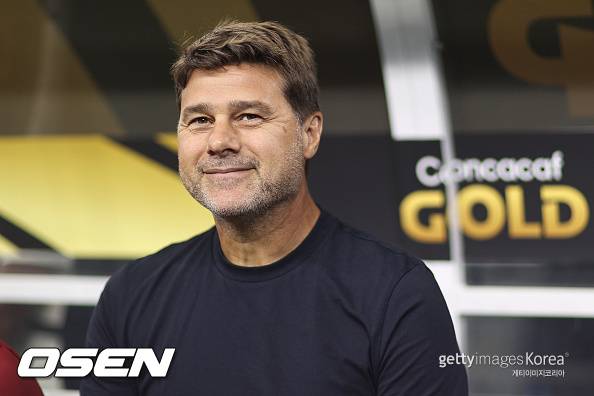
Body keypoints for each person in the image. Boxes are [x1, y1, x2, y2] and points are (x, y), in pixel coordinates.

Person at [80, 20, 467, 395]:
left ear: (309, 134)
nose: (219, 141)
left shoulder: (396, 294)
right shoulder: (130, 296)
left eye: (248, 116)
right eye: (199, 119)